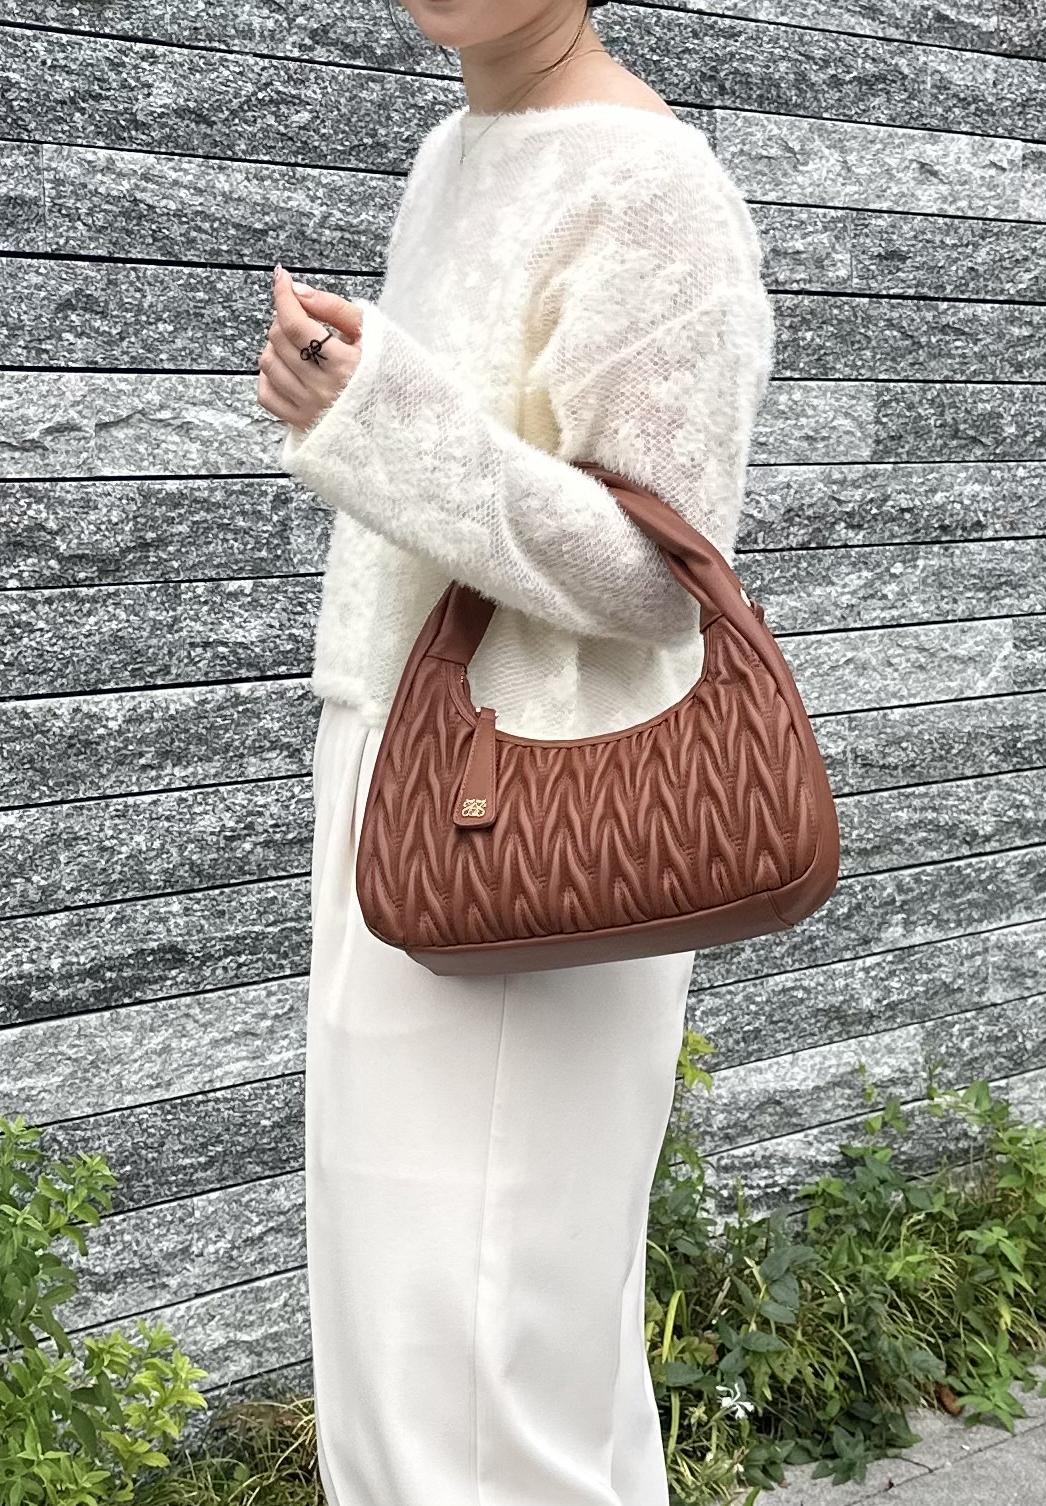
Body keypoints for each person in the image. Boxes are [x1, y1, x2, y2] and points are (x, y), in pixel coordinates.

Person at [255, 2, 774, 1501]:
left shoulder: (653, 186)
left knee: (471, 1373)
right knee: (455, 1348)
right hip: (400, 772)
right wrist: (356, 408)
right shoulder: (456, 149)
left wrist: (380, 417)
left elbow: (657, 570)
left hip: (539, 808)